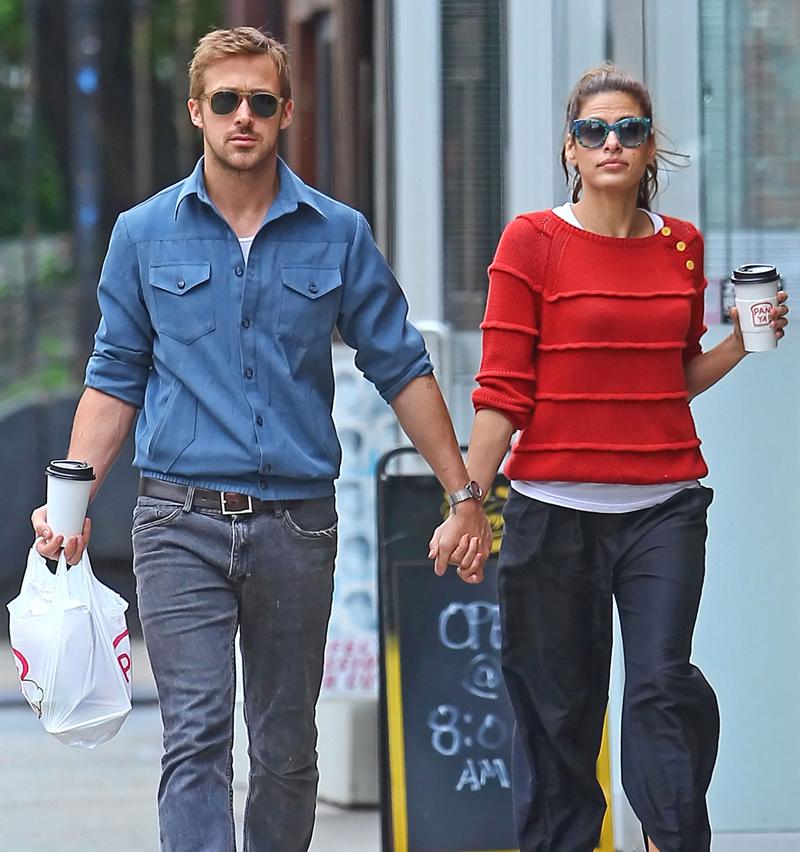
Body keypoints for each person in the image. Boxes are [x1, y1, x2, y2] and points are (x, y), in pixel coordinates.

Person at [30, 27, 490, 852]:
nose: (244, 117)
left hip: (297, 525)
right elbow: (115, 372)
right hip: (177, 523)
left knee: (284, 751)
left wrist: (463, 493)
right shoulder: (142, 234)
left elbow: (403, 367)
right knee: (197, 737)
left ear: (284, 115)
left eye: (262, 102)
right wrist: (70, 503)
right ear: (197, 112)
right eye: (227, 101)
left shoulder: (338, 233)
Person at [430, 63, 789, 852]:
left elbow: (668, 380)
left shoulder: (683, 249)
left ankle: (670, 836)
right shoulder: (532, 241)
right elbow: (502, 390)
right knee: (558, 714)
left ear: (650, 146)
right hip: (552, 513)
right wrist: (468, 500)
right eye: (595, 130)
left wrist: (739, 342)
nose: (612, 143)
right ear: (571, 149)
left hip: (664, 507)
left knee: (663, 688)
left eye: (629, 129)